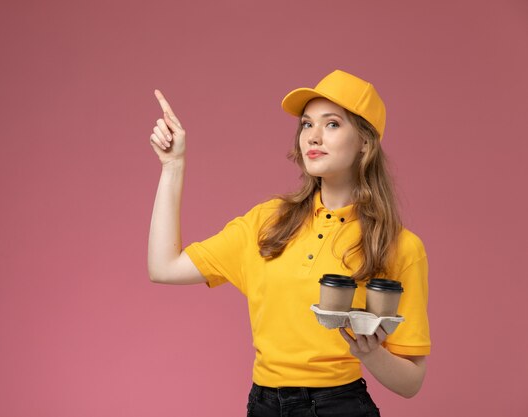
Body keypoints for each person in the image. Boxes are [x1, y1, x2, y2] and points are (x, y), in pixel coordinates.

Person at [147, 70, 430, 416]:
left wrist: (371, 353)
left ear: (366, 143)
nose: (313, 137)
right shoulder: (268, 222)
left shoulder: (399, 246)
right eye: (307, 125)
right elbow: (163, 267)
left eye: (332, 124)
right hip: (264, 404)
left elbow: (411, 382)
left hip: (339, 406)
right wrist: (173, 166)